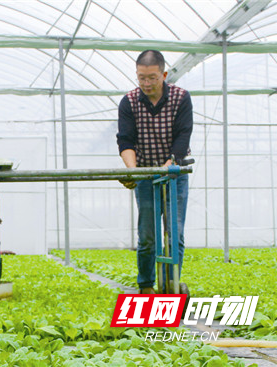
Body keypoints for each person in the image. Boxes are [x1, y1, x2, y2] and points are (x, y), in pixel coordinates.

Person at [116, 50, 192, 295]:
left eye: (152, 78)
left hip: (174, 174)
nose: (146, 84)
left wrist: (169, 164)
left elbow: (183, 137)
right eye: (141, 78)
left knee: (174, 232)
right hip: (146, 177)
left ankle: (171, 285)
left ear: (164, 75)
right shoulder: (129, 102)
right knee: (148, 233)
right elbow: (125, 141)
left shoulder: (181, 98)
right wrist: (134, 171)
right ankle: (146, 285)